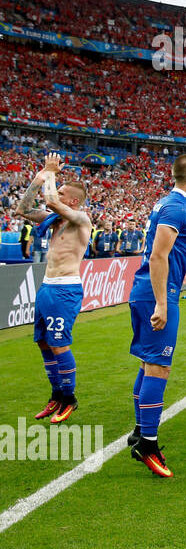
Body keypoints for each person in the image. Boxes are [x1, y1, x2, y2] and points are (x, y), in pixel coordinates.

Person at [126, 153, 186, 477]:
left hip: (147, 290)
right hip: (158, 292)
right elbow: (159, 256)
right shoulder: (176, 207)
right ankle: (148, 442)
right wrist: (162, 303)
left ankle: (139, 429)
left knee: (149, 363)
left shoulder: (170, 205)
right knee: (159, 366)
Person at [15, 153, 91, 423]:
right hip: (47, 287)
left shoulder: (81, 219)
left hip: (65, 290)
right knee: (44, 342)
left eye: (61, 192)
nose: (55, 193)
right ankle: (57, 395)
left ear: (72, 201)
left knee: (60, 345)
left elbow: (49, 200)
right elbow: (22, 209)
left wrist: (50, 173)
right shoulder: (53, 219)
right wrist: (40, 177)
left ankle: (70, 399)